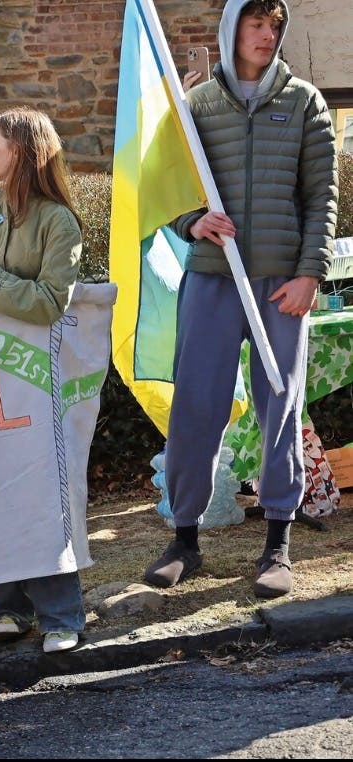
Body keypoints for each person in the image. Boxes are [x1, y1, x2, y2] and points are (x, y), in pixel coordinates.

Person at [144, 0, 337, 599]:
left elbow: (321, 198)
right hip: (212, 277)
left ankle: (278, 543)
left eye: (275, 25)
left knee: (280, 403)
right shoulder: (195, 106)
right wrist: (189, 221)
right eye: (255, 22)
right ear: (232, 29)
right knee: (196, 403)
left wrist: (310, 275)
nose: (266, 33)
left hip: (282, 282)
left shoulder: (305, 102)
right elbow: (161, 183)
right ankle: (184, 539)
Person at [0, 107, 85, 654]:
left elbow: (50, 302)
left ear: (20, 150)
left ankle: (61, 617)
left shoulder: (59, 222)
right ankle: (5, 608)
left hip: (40, 381)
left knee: (44, 493)